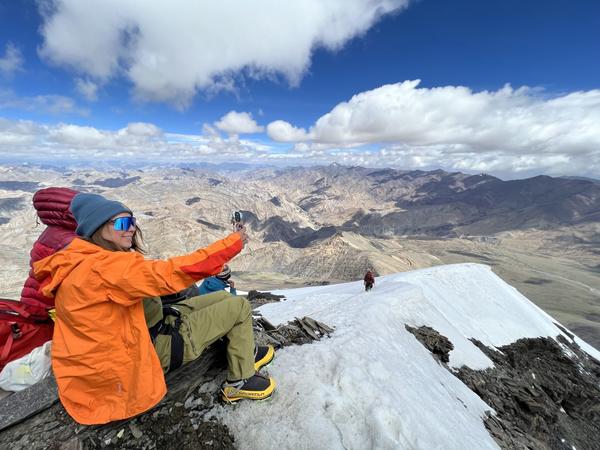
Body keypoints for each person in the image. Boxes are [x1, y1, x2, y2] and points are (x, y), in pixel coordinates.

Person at [33, 193, 275, 425]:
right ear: (97, 228)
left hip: (142, 331)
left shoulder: (82, 258)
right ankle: (239, 384)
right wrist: (232, 244)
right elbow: (170, 273)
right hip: (136, 356)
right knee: (239, 305)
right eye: (122, 223)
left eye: (132, 222)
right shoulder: (105, 268)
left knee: (222, 298)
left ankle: (243, 352)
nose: (130, 228)